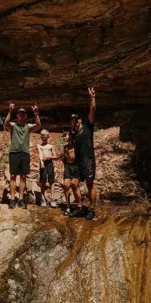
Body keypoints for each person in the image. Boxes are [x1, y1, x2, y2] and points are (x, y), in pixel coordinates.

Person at [4, 102, 42, 208]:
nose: (21, 115)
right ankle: (12, 199)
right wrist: (10, 111)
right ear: (17, 116)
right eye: (19, 114)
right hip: (14, 153)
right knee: (12, 176)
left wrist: (36, 113)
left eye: (23, 114)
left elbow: (38, 125)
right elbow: (6, 123)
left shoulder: (28, 127)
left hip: (25, 153)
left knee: (23, 176)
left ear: (25, 116)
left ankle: (20, 199)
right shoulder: (13, 126)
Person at [69, 87, 98, 220]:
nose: (74, 121)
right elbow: (72, 149)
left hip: (89, 159)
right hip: (79, 162)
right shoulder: (73, 135)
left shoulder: (88, 127)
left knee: (89, 183)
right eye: (72, 120)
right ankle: (80, 207)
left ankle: (91, 209)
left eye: (76, 119)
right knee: (74, 183)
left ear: (80, 120)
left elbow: (92, 110)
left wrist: (92, 98)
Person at [36, 130, 58, 207]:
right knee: (43, 181)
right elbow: (40, 154)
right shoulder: (39, 146)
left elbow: (55, 156)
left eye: (45, 137)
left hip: (49, 163)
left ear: (48, 137)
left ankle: (52, 198)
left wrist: (49, 157)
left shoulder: (51, 146)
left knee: (52, 181)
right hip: (43, 163)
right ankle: (43, 198)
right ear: (41, 137)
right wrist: (42, 163)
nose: (44, 139)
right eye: (42, 137)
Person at [61, 130, 80, 213]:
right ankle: (68, 205)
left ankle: (79, 205)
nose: (64, 138)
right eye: (63, 136)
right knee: (66, 185)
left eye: (66, 136)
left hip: (75, 166)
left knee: (75, 185)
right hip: (68, 166)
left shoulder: (76, 146)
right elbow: (63, 158)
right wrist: (64, 157)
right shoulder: (65, 147)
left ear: (70, 136)